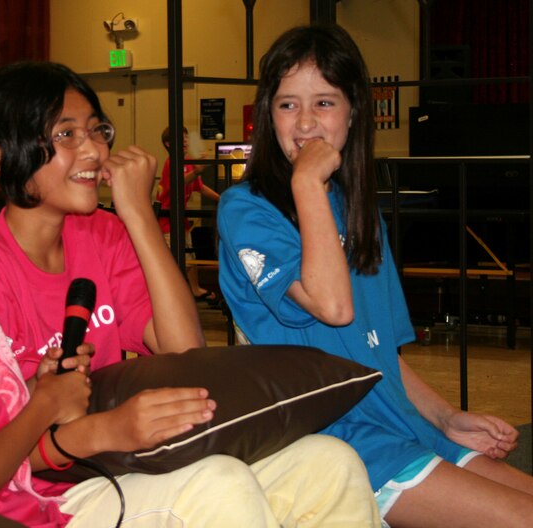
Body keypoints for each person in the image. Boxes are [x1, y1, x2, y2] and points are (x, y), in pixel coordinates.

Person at [0, 60, 381, 526]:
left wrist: (139, 215)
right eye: (65, 135)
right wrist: (106, 428)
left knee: (329, 463)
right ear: (0, 159)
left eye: (97, 131)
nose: (94, 151)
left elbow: (184, 350)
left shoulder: (102, 233)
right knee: (219, 485)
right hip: (45, 492)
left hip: (115, 460)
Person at [216, 23, 533, 527]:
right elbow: (333, 306)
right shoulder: (246, 209)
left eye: (324, 103)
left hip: (398, 423)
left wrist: (446, 417)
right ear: (267, 115)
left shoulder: (355, 207)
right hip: (334, 440)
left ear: (352, 113)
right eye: (287, 104)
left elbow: (377, 349)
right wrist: (307, 183)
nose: (304, 123)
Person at [157, 126, 221, 303]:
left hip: (181, 219)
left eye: (185, 137)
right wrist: (196, 171)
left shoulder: (188, 162)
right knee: (172, 258)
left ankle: (194, 289)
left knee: (190, 255)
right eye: (180, 138)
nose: (185, 141)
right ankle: (169, 294)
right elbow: (177, 183)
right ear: (169, 144)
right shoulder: (171, 163)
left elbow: (199, 187)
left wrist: (222, 199)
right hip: (167, 220)